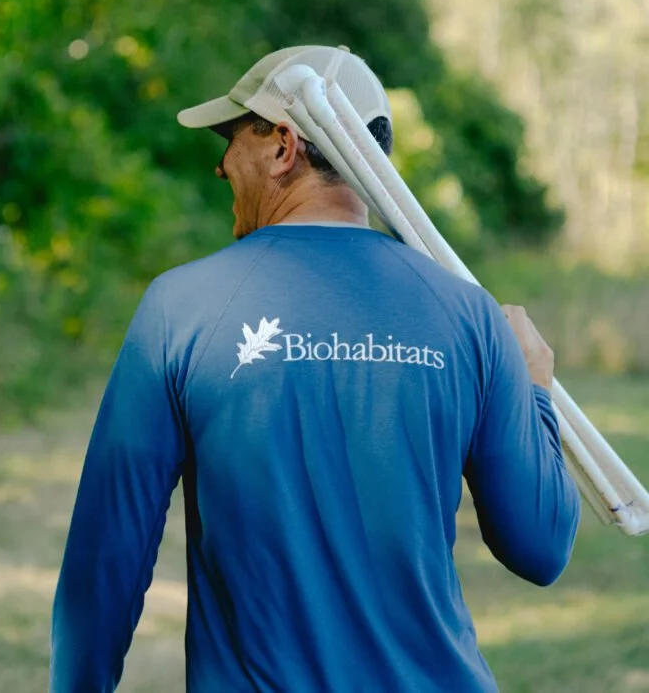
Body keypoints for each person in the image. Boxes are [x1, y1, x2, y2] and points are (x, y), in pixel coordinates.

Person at [49, 44, 581, 692]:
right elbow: (542, 545)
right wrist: (535, 388)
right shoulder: (468, 315)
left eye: (231, 138)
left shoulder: (180, 308)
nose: (220, 166)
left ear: (282, 145)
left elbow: (106, 564)